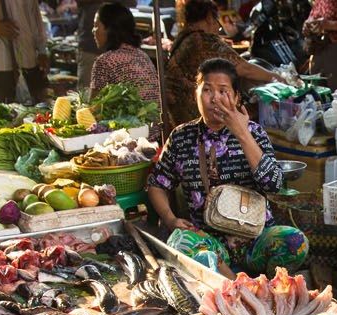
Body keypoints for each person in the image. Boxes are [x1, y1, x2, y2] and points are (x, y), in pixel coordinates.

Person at [147, 58, 309, 276]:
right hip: (210, 243)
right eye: (207, 90)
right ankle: (236, 288)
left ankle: (265, 287)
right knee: (180, 241)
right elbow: (157, 183)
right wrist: (169, 218)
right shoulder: (181, 137)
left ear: (235, 97)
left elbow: (273, 184)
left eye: (223, 91)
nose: (215, 98)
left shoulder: (254, 132)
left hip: (255, 239)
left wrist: (242, 134)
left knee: (295, 242)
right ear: (196, 94)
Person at [165, 0, 281, 128]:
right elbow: (244, 68)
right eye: (217, 22)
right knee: (260, 109)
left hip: (176, 115)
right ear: (209, 17)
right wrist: (277, 77)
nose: (217, 29)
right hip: (194, 116)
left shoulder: (184, 38)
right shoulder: (203, 40)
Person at [89, 3, 159, 102]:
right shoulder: (143, 56)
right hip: (155, 117)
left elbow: (93, 108)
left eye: (96, 26)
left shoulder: (104, 62)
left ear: (109, 29)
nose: (93, 31)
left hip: (129, 117)